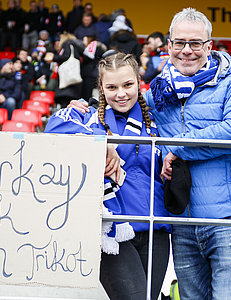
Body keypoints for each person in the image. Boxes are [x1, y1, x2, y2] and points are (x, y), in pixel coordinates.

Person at [143, 7, 231, 299]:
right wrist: (81, 107)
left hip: (230, 221)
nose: (186, 51)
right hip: (183, 224)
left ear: (209, 46)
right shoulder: (158, 93)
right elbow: (119, 103)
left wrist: (177, 148)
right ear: (169, 45)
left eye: (195, 44)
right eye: (179, 43)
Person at [44, 52, 171, 300]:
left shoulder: (157, 120)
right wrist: (101, 142)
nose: (120, 93)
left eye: (127, 85)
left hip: (156, 228)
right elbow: (54, 127)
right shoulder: (87, 116)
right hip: (113, 230)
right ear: (101, 87)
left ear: (139, 81)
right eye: (112, 87)